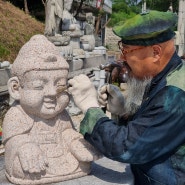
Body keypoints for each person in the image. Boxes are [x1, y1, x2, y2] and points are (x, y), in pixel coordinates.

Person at [68, 10, 185, 185]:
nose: (122, 58)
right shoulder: (164, 76)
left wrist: (89, 107)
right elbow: (147, 128)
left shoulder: (176, 96)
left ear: (156, 53)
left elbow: (127, 147)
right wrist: (122, 112)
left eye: (127, 50)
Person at [2, 35, 100, 185]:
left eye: (60, 85)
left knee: (83, 161)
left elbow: (67, 132)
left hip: (61, 156)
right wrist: (24, 146)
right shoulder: (17, 114)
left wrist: (75, 142)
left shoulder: (62, 114)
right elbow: (12, 141)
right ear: (16, 88)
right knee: (21, 168)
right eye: (39, 86)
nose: (52, 93)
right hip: (33, 162)